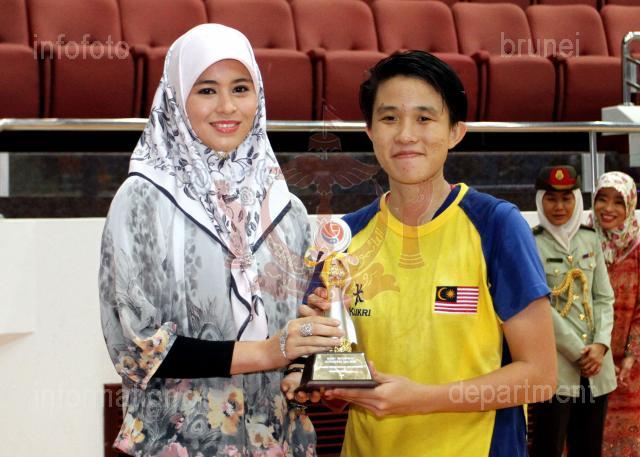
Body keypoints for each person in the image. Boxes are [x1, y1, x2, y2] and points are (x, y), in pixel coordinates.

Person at [99, 24, 344, 457]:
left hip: (278, 442)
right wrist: (268, 352)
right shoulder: (144, 199)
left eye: (241, 89)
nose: (227, 106)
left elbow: (295, 328)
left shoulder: (286, 208)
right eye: (207, 90)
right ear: (177, 98)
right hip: (179, 444)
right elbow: (141, 350)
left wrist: (302, 368)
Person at [300, 50, 557, 457]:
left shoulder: (496, 226)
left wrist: (421, 399)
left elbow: (540, 377)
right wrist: (318, 372)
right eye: (389, 118)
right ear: (369, 131)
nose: (406, 134)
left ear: (455, 131)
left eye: (424, 118)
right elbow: (334, 394)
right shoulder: (343, 238)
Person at [528, 165, 616, 457]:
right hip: (556, 366)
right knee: (547, 446)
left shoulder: (590, 239)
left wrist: (601, 345)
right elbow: (539, 305)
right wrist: (579, 351)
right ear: (539, 200)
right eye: (551, 198)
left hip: (595, 367)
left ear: (576, 199)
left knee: (588, 447)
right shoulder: (531, 243)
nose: (559, 207)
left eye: (566, 199)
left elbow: (604, 297)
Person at [591, 171, 640, 456]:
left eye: (618, 202)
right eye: (602, 199)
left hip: (629, 368)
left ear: (630, 205)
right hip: (585, 361)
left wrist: (631, 357)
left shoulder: (636, 248)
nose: (608, 209)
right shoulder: (581, 242)